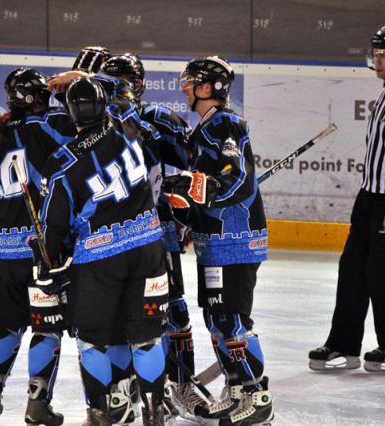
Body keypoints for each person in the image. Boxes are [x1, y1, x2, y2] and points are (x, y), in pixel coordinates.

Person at [39, 76, 169, 425]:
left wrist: (46, 264)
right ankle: (155, 413)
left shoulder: (63, 161)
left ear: (70, 112)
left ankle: (100, 412)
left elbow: (54, 222)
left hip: (100, 259)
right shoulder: (128, 126)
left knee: (93, 340)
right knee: (147, 337)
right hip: (149, 248)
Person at [309, 24, 385, 372]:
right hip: (371, 197)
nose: (378, 60)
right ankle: (344, 345)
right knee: (352, 270)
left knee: (383, 274)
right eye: (375, 53)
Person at [162, 56, 273, 425]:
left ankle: (259, 395)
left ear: (208, 87)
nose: (184, 87)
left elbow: (237, 179)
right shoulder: (203, 129)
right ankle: (238, 387)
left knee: (233, 319)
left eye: (190, 82)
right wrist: (187, 208)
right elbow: (206, 189)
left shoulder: (225, 124)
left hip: (236, 240)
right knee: (217, 318)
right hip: (215, 242)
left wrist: (198, 188)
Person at [0, 68, 76, 426]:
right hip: (38, 250)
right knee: (46, 327)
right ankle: (37, 404)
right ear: (37, 97)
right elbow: (71, 174)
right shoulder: (45, 130)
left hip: (3, 252)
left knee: (6, 324)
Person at [100, 53, 202, 421]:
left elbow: (194, 162)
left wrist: (187, 206)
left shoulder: (155, 119)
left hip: (157, 230)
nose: (118, 89)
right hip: (110, 237)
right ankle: (122, 390)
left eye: (124, 81)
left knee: (173, 307)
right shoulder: (94, 125)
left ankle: (180, 383)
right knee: (115, 317)